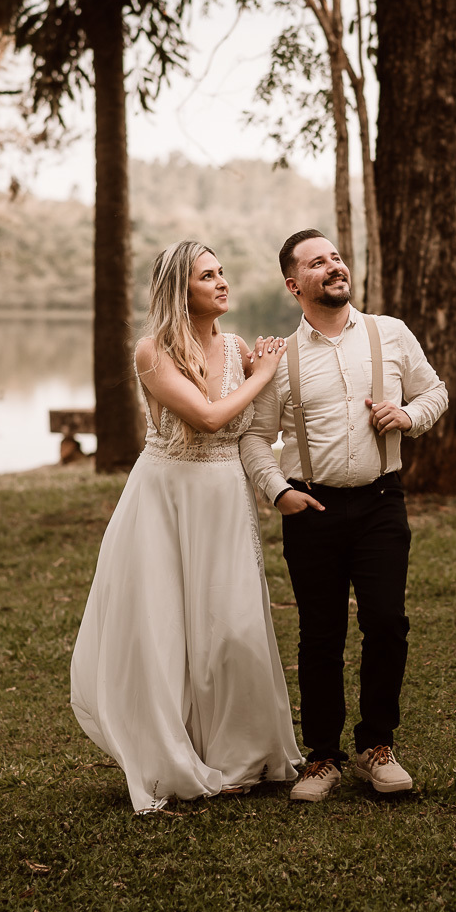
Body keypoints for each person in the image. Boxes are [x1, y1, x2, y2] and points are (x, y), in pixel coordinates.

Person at [70, 240, 302, 813]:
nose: (222, 282)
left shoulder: (237, 348)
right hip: (165, 495)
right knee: (166, 625)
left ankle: (241, 753)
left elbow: (254, 428)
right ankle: (175, 752)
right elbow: (207, 416)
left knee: (231, 622)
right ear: (180, 289)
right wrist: (264, 373)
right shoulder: (151, 351)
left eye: (222, 272)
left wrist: (266, 378)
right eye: (207, 276)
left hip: (225, 495)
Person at [239, 229, 447, 803]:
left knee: (387, 623)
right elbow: (255, 437)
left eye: (335, 257)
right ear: (294, 285)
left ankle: (377, 745)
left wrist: (408, 416)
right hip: (312, 508)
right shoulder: (281, 358)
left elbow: (435, 392)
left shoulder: (390, 333)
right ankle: (322, 756)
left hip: (381, 502)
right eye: (317, 262)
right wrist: (278, 492)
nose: (334, 266)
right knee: (320, 634)